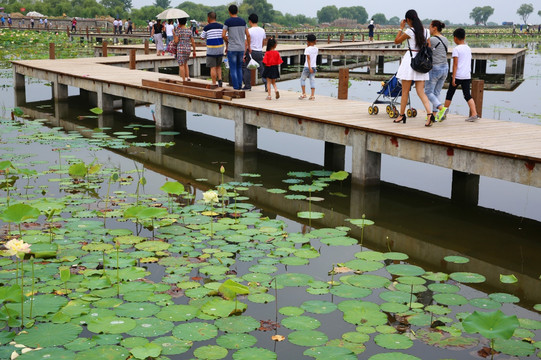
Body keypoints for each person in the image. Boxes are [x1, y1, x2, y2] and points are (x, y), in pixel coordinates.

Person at [394, 9, 434, 126]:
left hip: (410, 61)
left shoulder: (410, 31)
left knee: (405, 91)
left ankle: (401, 115)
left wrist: (401, 28)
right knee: (421, 91)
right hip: (421, 62)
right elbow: (428, 47)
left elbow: (397, 41)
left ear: (408, 20)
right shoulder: (426, 31)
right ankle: (430, 114)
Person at [437, 28, 479, 122]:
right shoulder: (468, 48)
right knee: (467, 95)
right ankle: (474, 114)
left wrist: (453, 78)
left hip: (458, 75)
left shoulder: (456, 49)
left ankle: (443, 113)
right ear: (464, 37)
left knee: (449, 94)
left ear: (455, 38)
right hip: (467, 75)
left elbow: (455, 64)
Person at [424, 20, 449, 119]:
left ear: (434, 28)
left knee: (428, 92)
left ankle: (441, 108)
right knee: (437, 92)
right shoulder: (445, 39)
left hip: (435, 68)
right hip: (445, 67)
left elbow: (425, 48)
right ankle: (434, 115)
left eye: (430, 27)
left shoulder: (432, 40)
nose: (429, 29)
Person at [222, 5, 250, 90]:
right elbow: (248, 35)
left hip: (232, 48)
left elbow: (223, 35)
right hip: (241, 48)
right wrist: (248, 45)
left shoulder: (228, 22)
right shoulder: (243, 21)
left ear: (229, 12)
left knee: (233, 68)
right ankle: (240, 85)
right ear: (237, 11)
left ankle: (236, 87)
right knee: (239, 68)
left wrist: (228, 40)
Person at [242, 13, 266, 91]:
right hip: (259, 51)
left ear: (250, 21)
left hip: (250, 52)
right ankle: (266, 84)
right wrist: (260, 47)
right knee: (261, 69)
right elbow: (264, 41)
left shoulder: (249, 31)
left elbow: (246, 43)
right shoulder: (262, 30)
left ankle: (248, 86)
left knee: (247, 68)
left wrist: (244, 54)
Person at [200, 11, 224, 87]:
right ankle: (220, 80)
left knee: (212, 67)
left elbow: (202, 37)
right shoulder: (221, 26)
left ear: (208, 18)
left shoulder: (207, 27)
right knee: (218, 66)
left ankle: (214, 83)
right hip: (220, 48)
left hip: (211, 50)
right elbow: (225, 36)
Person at [299, 34, 318, 100]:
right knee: (312, 80)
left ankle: (304, 93)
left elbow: (308, 59)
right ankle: (312, 95)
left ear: (307, 41)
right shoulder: (316, 49)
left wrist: (309, 67)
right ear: (315, 41)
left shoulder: (307, 49)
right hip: (314, 67)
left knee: (302, 79)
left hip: (307, 66)